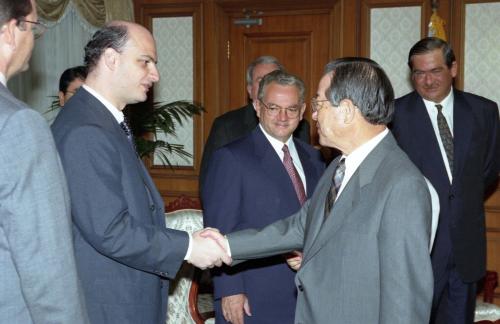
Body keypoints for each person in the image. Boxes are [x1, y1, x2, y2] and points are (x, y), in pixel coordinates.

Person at [204, 57, 434, 323]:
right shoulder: (339, 165)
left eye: (319, 104)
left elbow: (404, 302)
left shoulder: (401, 183)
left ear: (346, 110)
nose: (313, 115)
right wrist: (224, 245)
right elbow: (300, 226)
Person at [51, 21, 230, 324]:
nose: (155, 74)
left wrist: (188, 238)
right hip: (110, 305)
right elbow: (110, 230)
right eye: (145, 61)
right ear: (111, 59)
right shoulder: (85, 129)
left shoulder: (99, 120)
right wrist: (188, 247)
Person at [203, 70, 325, 324]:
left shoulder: (314, 158)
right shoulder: (232, 158)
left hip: (308, 291)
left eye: (291, 109)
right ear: (257, 107)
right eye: (273, 107)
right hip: (255, 293)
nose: (283, 117)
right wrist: (230, 290)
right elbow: (220, 228)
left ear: (302, 111)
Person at [391, 37, 499, 324]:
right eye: (419, 73)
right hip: (416, 250)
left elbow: (487, 171)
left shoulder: (484, 111)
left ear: (453, 68)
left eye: (435, 71)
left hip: (466, 249)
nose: (427, 81)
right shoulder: (393, 116)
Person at [0, 0, 89, 323]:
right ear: (12, 30)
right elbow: (46, 266)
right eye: (35, 27)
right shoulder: (19, 124)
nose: (35, 40)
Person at [199, 56, 311, 191]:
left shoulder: (301, 126)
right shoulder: (226, 126)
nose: (269, 84)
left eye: (274, 78)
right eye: (261, 80)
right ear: (250, 89)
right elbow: (211, 185)